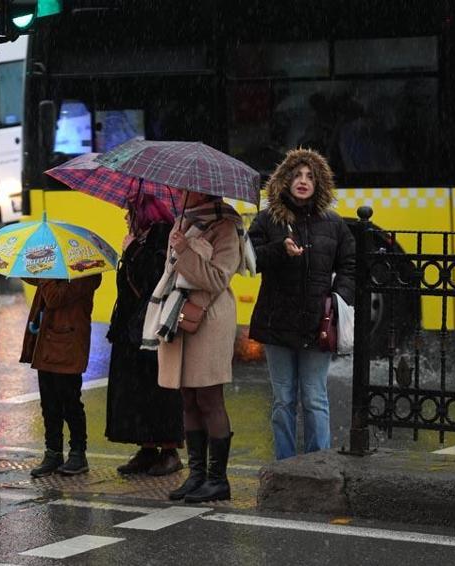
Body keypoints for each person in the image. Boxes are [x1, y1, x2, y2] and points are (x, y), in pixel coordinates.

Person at [143, 191, 254, 503]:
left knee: (209, 396)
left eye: (182, 189)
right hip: (177, 314)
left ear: (202, 189)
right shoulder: (181, 221)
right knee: (187, 396)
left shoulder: (226, 226)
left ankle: (218, 480)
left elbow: (218, 278)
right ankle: (197, 476)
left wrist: (184, 251)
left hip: (209, 316)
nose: (177, 194)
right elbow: (172, 273)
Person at [248, 148, 355, 460]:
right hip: (277, 322)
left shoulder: (333, 224)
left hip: (315, 324)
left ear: (319, 182)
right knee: (283, 399)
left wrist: (337, 299)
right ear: (285, 180)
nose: (303, 181)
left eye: (310, 176)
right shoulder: (267, 220)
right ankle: (284, 463)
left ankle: (317, 462)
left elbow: (351, 265)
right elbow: (251, 261)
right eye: (297, 175)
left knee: (314, 398)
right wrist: (281, 250)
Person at [105, 195, 184, 476]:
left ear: (144, 214)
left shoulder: (161, 240)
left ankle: (168, 450)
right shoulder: (144, 240)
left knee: (156, 389)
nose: (126, 218)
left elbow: (149, 282)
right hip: (132, 329)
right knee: (137, 391)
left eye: (130, 212)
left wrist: (128, 253)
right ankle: (147, 447)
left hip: (149, 328)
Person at [21, 274, 102, 477]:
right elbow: (33, 280)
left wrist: (45, 275)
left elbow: (55, 298)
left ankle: (78, 453)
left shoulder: (84, 271)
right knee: (49, 404)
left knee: (70, 403)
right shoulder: (55, 267)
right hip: (47, 343)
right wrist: (35, 268)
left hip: (68, 345)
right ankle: (53, 452)